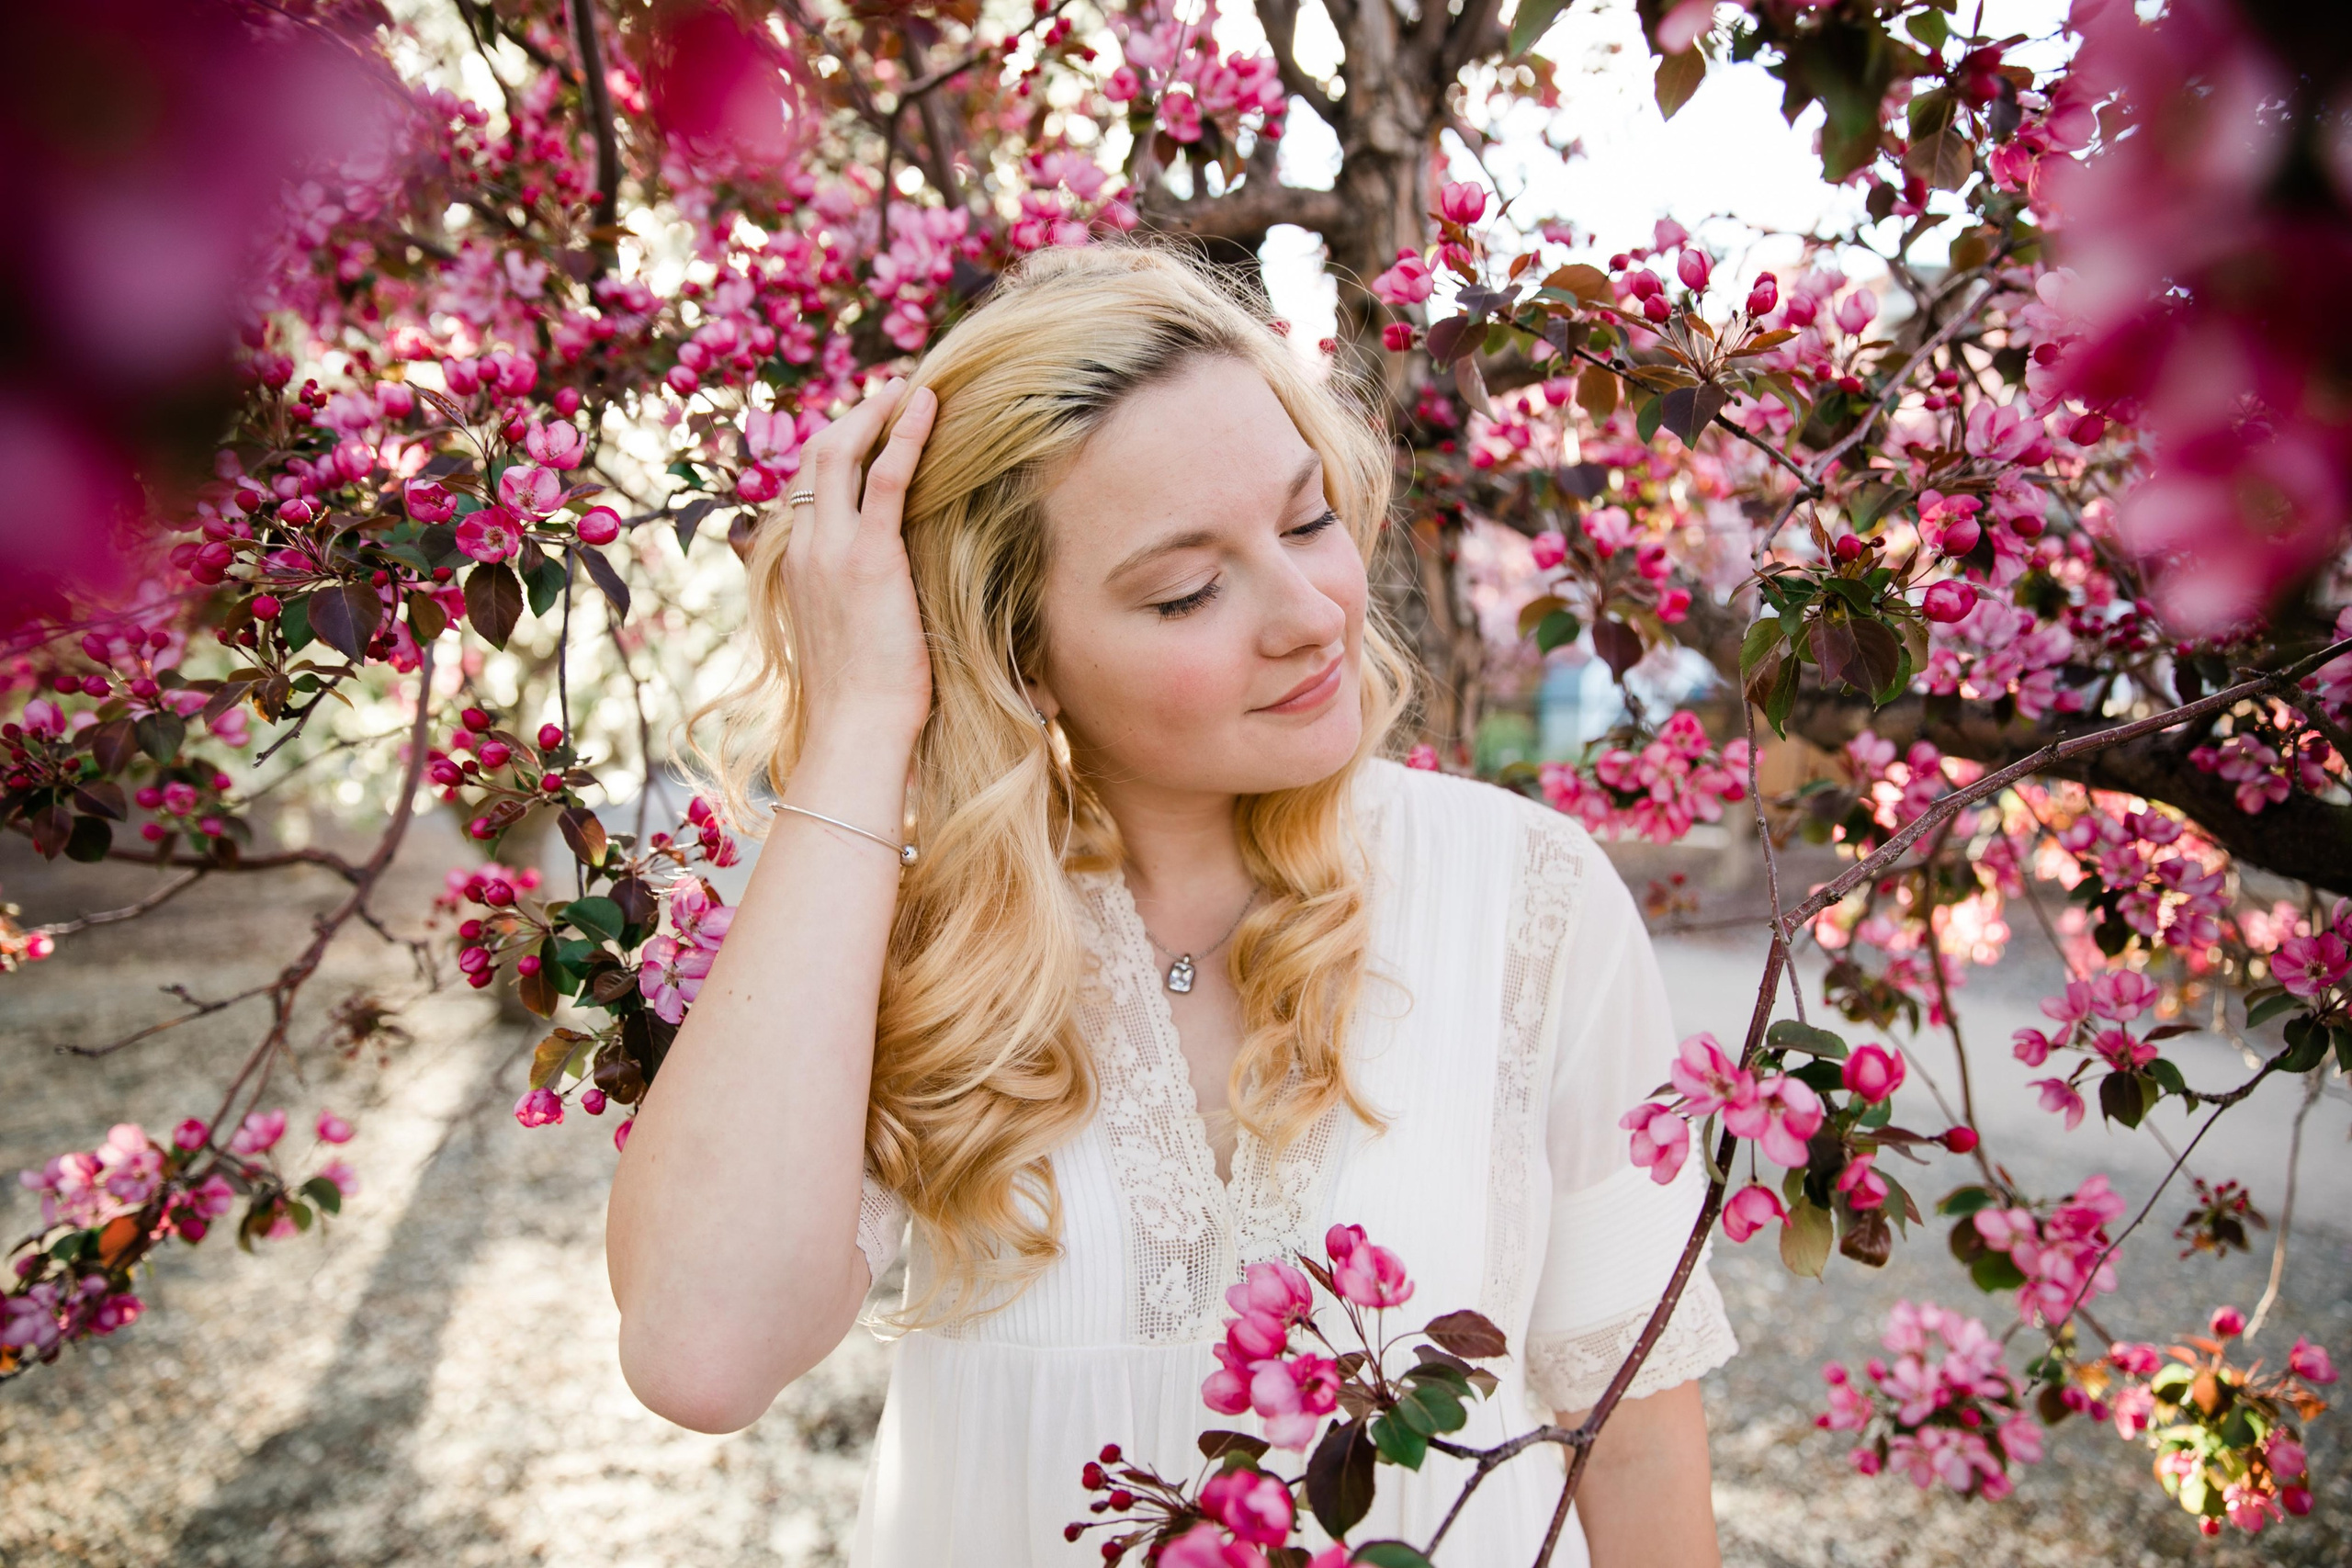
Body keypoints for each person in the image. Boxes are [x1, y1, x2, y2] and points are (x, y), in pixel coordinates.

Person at [604, 241, 1735, 1566]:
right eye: (1188, 590)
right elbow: (704, 1351)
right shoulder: (913, 938)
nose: (1311, 614)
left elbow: (1634, 1438)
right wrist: (862, 718)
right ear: (1022, 654)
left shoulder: (1530, 898)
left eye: (1307, 521)